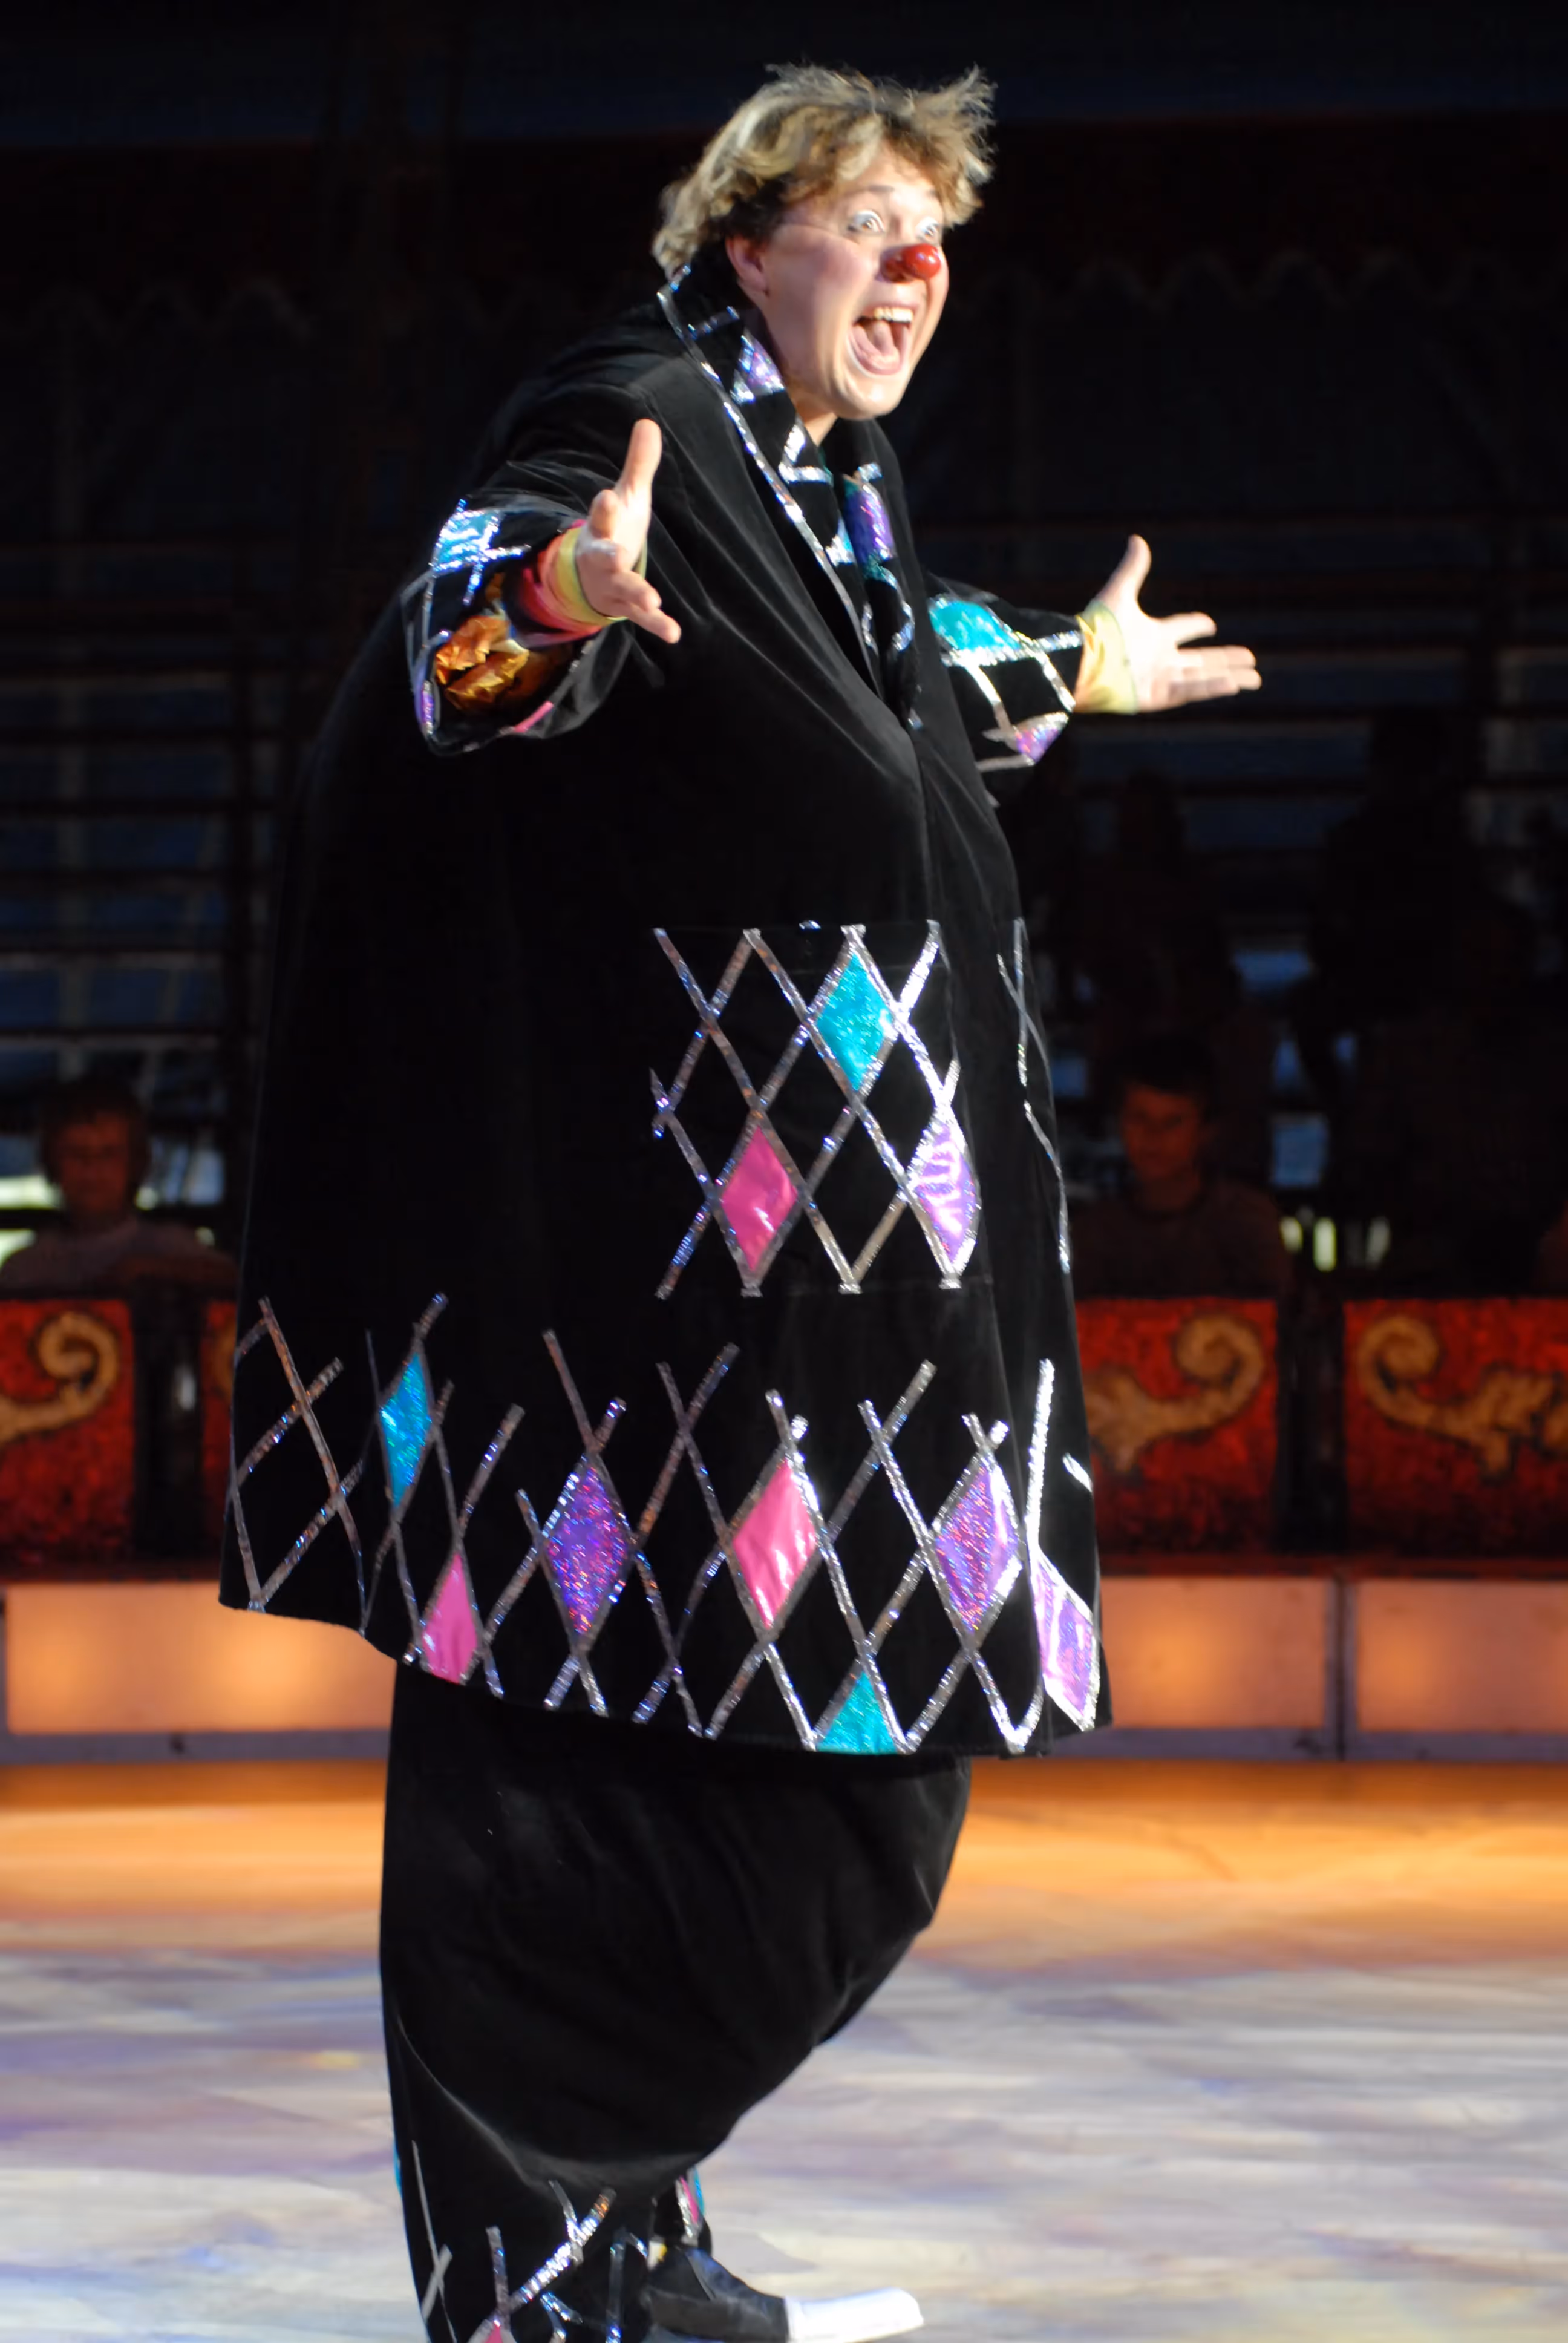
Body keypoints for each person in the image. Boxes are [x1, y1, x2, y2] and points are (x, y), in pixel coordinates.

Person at [220, 67, 1259, 2343]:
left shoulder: (824, 490)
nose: (918, 271)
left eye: (938, 235)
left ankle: (613, 2249)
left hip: (821, 1274)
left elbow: (866, 678)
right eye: (873, 224)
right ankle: (555, 2265)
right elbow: (462, 648)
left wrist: (1072, 670)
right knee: (677, 1766)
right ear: (744, 239)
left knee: (753, 1743)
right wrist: (564, 591)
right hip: (682, 1271)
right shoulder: (637, 420)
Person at [1071, 1035, 1292, 1299]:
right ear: (1119, 1123)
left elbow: (1272, 1310)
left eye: (1173, 1122)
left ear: (1206, 1131)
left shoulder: (1245, 1222)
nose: (1154, 1136)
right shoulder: (1096, 1233)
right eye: (1139, 1118)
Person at [0, 1076, 235, 1296]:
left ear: (136, 1162)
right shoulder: (24, 1269)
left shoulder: (173, 1247)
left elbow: (235, 1281)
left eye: (108, 1154)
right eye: (76, 1153)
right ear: (51, 1162)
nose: (92, 1168)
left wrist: (151, 1270)